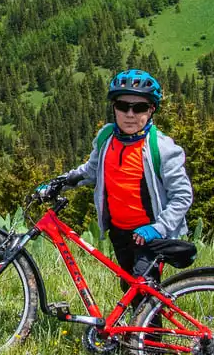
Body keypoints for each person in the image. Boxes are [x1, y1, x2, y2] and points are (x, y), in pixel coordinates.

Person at [40, 69, 194, 282]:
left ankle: (149, 315)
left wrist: (159, 227)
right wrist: (59, 183)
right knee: (129, 285)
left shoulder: (162, 148)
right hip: (119, 232)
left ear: (151, 110)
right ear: (114, 108)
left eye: (138, 107)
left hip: (149, 234)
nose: (130, 114)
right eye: (123, 106)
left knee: (142, 288)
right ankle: (141, 315)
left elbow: (183, 195)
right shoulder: (106, 137)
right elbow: (91, 171)